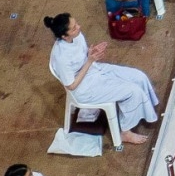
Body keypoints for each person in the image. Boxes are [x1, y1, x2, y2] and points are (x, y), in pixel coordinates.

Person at [44, 11, 159, 140]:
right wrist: (90, 61)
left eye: (76, 24)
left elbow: (82, 53)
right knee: (133, 91)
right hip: (83, 88)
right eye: (74, 28)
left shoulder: (76, 36)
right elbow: (71, 85)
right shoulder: (61, 57)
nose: (79, 27)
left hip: (94, 69)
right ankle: (125, 132)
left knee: (139, 76)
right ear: (64, 36)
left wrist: (92, 52)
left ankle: (145, 109)